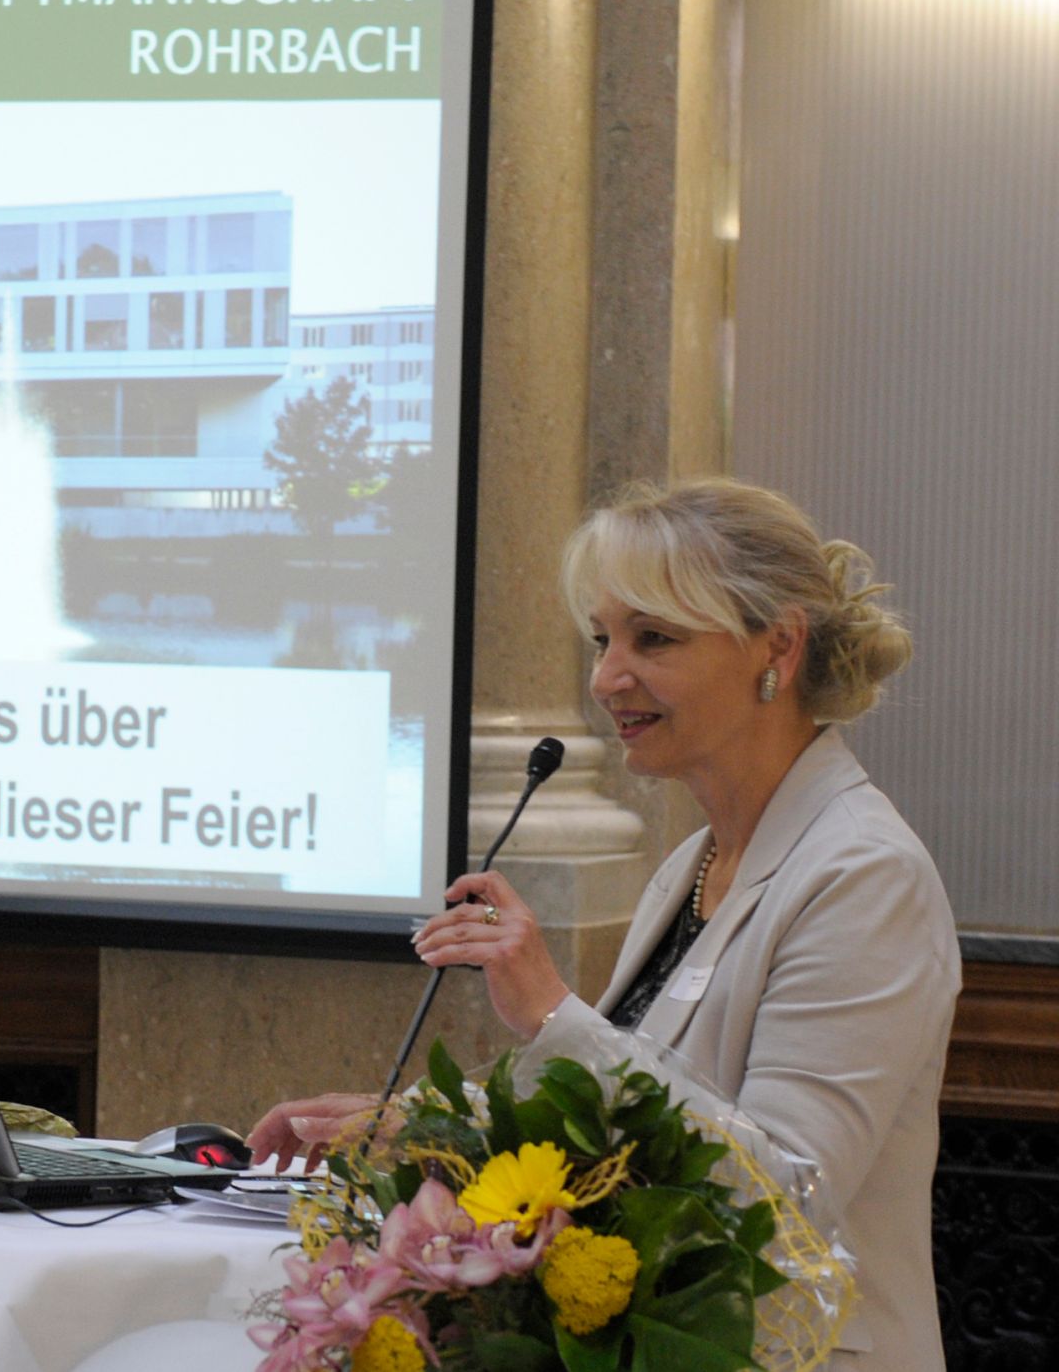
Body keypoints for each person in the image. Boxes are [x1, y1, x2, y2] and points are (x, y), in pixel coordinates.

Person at [247, 479, 960, 1371]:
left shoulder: (865, 875)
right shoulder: (693, 864)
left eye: (652, 638)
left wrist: (551, 1010)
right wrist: (419, 1124)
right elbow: (632, 1126)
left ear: (776, 644)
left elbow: (787, 1197)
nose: (605, 677)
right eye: (602, 639)